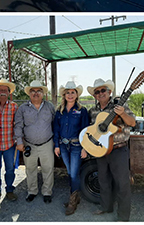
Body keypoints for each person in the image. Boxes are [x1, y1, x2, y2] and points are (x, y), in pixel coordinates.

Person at [86, 77, 135, 220]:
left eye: (103, 90)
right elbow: (92, 129)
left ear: (109, 91)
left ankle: (123, 217)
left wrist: (122, 114)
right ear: (94, 95)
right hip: (101, 150)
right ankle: (106, 207)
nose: (100, 93)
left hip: (118, 150)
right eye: (97, 92)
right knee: (103, 181)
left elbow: (132, 123)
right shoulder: (93, 111)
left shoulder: (120, 105)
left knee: (122, 184)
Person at [15, 79, 56, 203]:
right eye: (33, 91)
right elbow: (18, 126)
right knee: (30, 169)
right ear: (29, 93)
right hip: (29, 144)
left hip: (47, 143)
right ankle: (32, 191)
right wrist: (19, 141)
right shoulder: (22, 108)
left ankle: (47, 192)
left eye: (39, 91)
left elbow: (55, 123)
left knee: (48, 169)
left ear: (43, 93)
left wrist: (55, 141)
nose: (36, 93)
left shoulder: (50, 107)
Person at [54, 80, 90, 215]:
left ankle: (72, 202)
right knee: (69, 172)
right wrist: (57, 146)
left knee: (74, 174)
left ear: (76, 95)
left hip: (76, 146)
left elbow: (85, 130)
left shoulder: (82, 110)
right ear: (64, 95)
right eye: (67, 92)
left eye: (72, 92)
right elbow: (56, 129)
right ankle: (76, 196)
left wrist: (84, 148)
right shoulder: (59, 111)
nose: (70, 95)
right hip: (63, 146)